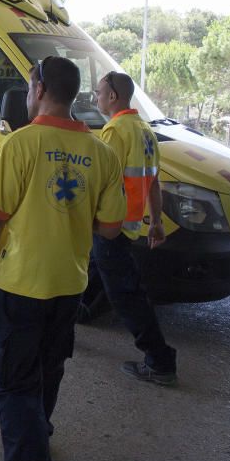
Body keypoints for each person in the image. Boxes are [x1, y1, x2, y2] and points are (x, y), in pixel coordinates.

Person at [0, 55, 126, 461]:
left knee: (14, 383)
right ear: (73, 95)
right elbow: (111, 227)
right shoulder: (102, 152)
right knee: (48, 369)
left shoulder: (19, 144)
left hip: (21, 285)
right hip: (69, 286)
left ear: (37, 89)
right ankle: (39, 433)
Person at [80, 70, 177, 385]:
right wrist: (157, 221)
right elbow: (153, 183)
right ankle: (66, 323)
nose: (95, 97)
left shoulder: (115, 131)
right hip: (128, 226)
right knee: (87, 273)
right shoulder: (145, 131)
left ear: (112, 97)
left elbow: (99, 182)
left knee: (126, 295)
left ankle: (160, 361)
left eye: (98, 92)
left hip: (112, 227)